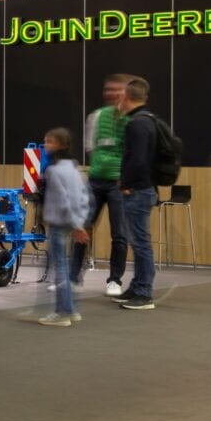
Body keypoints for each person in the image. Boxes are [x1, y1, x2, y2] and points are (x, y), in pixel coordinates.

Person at [71, 74, 131, 296]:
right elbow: (90, 148)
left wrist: (122, 175)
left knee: (120, 234)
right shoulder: (95, 117)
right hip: (95, 181)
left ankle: (115, 280)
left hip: (119, 184)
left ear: (126, 92)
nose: (112, 93)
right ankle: (73, 278)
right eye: (109, 89)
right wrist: (103, 166)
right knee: (82, 228)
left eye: (118, 89)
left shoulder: (132, 119)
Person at [112, 77, 159, 310]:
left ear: (127, 97)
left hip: (138, 190)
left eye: (120, 96)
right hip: (145, 188)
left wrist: (127, 184)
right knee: (139, 241)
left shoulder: (136, 124)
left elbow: (138, 159)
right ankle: (137, 286)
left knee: (141, 243)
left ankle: (144, 292)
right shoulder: (149, 120)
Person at [37, 128, 91, 327]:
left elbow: (62, 200)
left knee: (59, 268)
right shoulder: (74, 168)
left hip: (59, 223)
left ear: (61, 145)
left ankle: (63, 312)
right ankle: (71, 310)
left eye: (49, 141)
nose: (46, 145)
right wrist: (80, 222)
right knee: (64, 267)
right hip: (72, 221)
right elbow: (82, 197)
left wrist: (76, 226)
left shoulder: (53, 170)